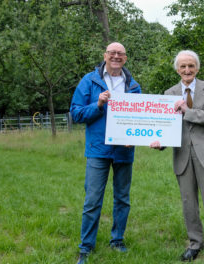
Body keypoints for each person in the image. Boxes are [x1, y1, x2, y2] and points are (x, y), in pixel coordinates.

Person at [150, 50, 204, 262]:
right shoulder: (168, 93)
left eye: (191, 66)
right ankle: (195, 243)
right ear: (177, 69)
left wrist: (187, 110)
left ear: (197, 68)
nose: (187, 70)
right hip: (182, 153)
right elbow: (167, 126)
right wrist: (160, 142)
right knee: (188, 202)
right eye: (183, 66)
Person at [70, 42, 141, 264]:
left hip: (124, 152)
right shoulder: (89, 81)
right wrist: (98, 104)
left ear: (126, 58)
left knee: (122, 198)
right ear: (105, 56)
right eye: (112, 53)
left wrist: (134, 137)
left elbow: (139, 119)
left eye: (120, 53)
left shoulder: (134, 86)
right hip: (98, 150)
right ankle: (86, 247)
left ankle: (117, 240)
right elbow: (76, 113)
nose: (116, 56)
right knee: (92, 200)